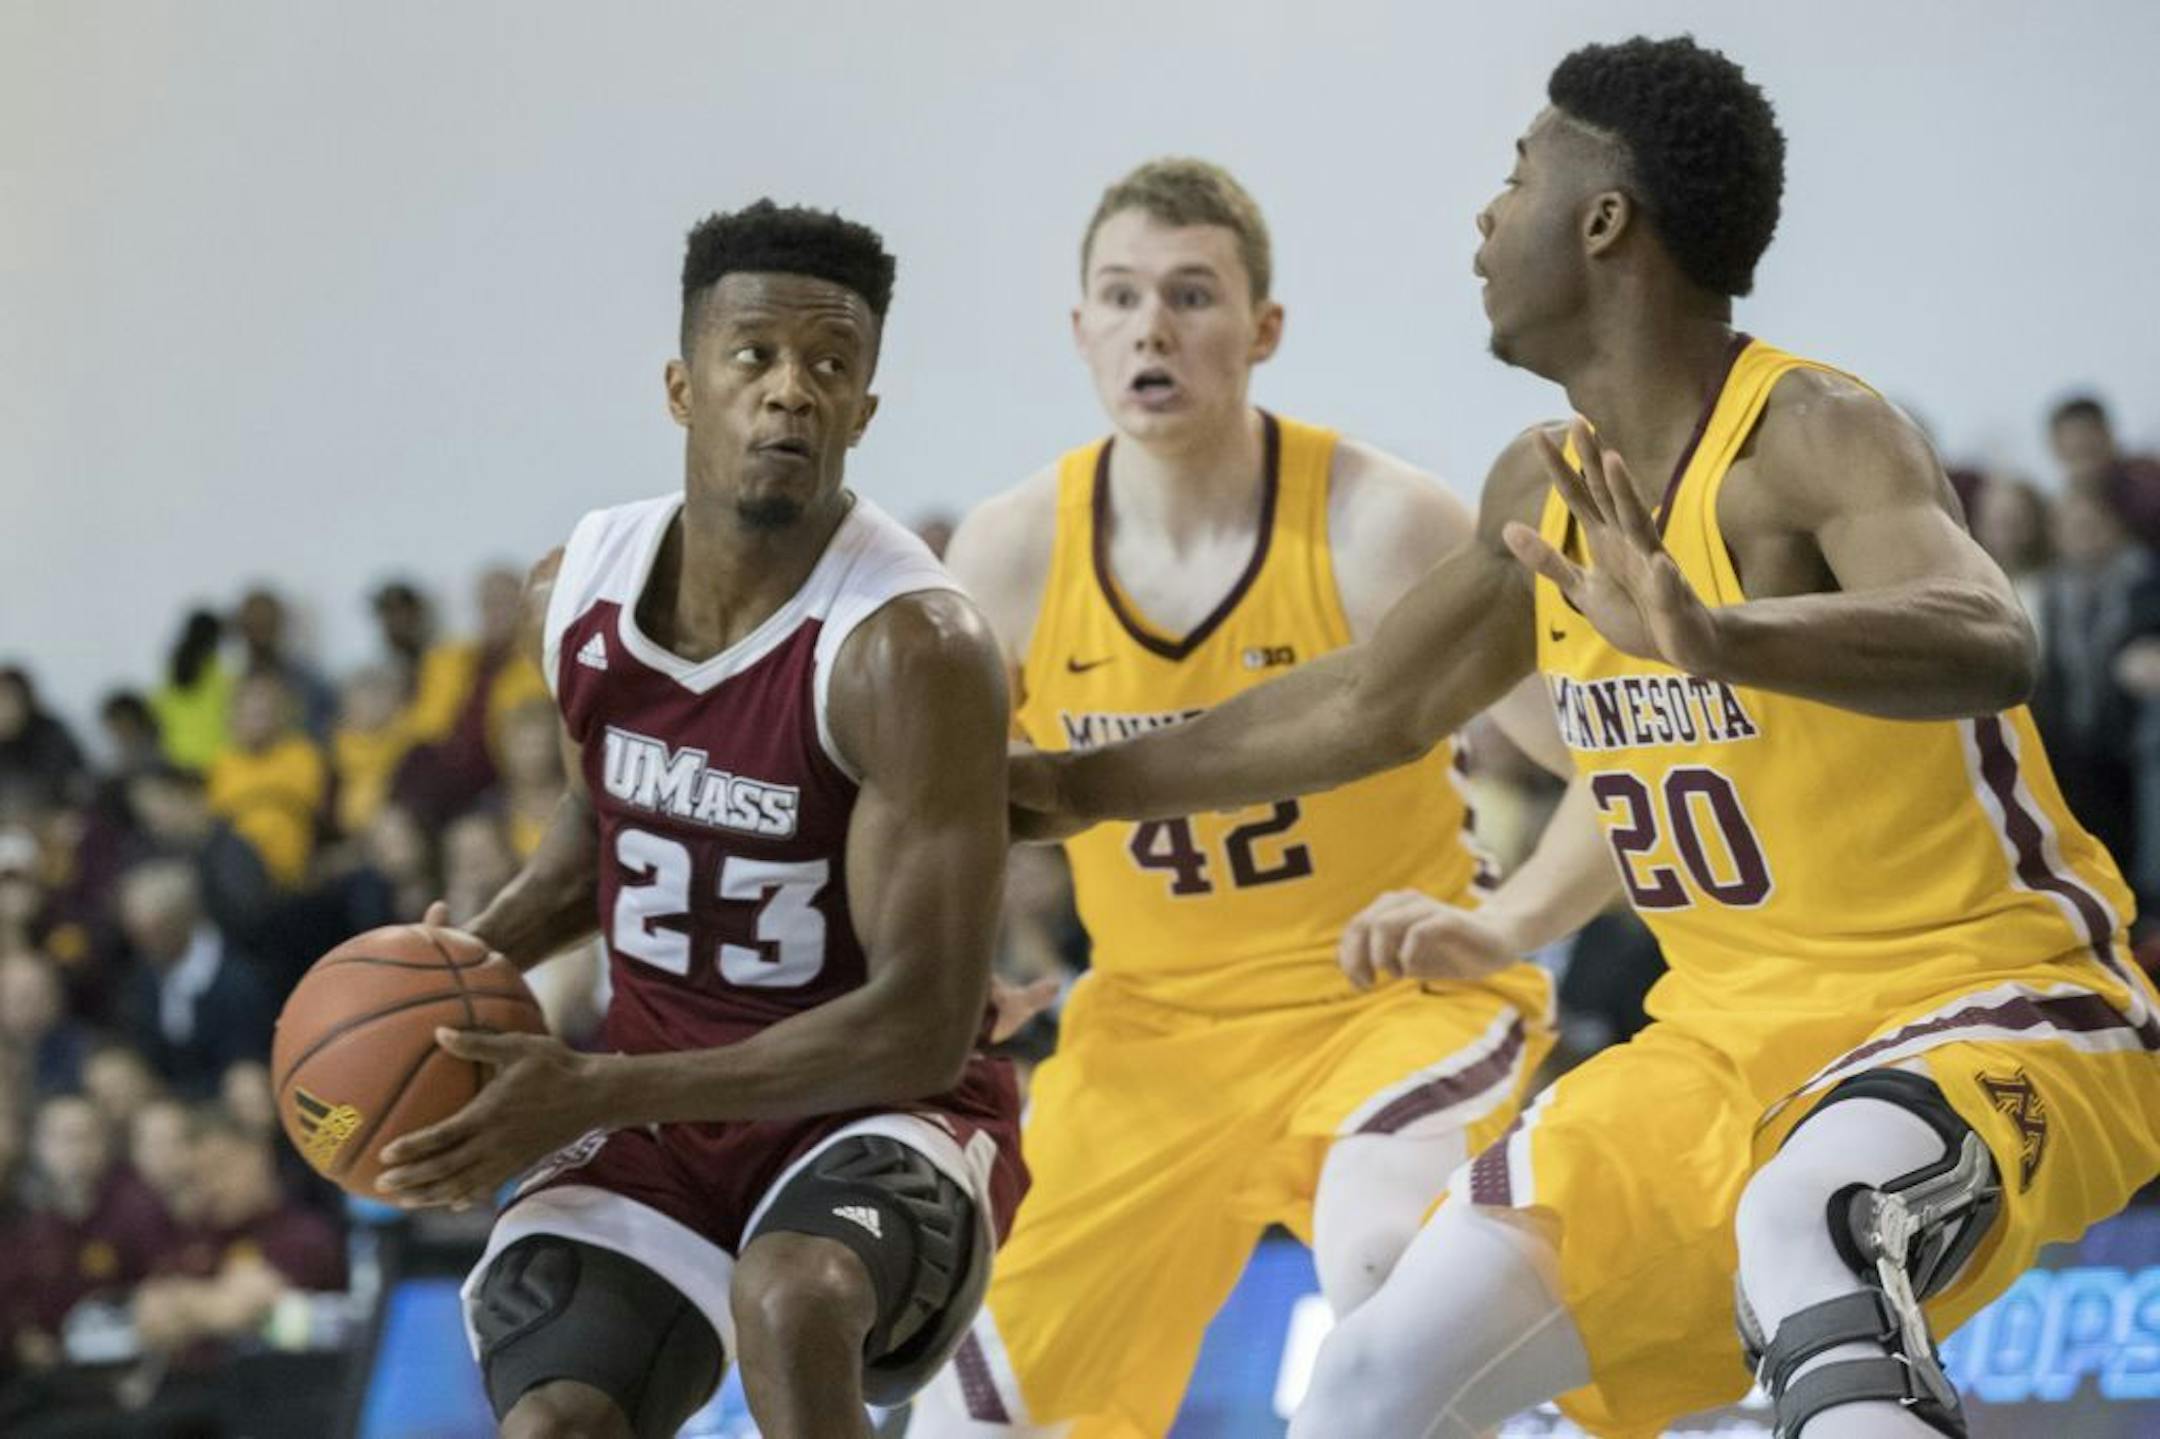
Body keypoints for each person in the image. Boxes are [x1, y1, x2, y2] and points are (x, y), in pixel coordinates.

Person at [1008, 36, 2160, 1439]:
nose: (1485, 220)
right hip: (1719, 1039)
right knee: (1371, 1372)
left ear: (1604, 221)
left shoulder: (1809, 432)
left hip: (1982, 998)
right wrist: (1079, 783)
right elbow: (1367, 703)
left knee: (1817, 1220)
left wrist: (1726, 636)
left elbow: (1989, 635)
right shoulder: (1539, 484)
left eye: (1515, 179)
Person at [912, 157, 1557, 1438]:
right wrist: (946, 971)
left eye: (1194, 294)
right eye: (1123, 295)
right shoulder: (1009, 549)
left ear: (1264, 329)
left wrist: (1516, 922)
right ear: (1083, 329)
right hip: (1146, 1033)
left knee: (1384, 1274)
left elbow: (1592, 747)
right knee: (967, 1423)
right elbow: (940, 810)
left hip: (1389, 1000)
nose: (1155, 325)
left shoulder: (1383, 523)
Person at [371, 201, 1026, 1439]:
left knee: (791, 1297)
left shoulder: (910, 645)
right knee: (554, 1417)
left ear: (865, 411)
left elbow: (923, 1027)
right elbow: (599, 826)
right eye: (754, 359)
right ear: (683, 388)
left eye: (830, 368)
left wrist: (595, 1088)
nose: (791, 393)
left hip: (875, 1104)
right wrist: (466, 968)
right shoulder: (577, 591)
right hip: (651, 1109)